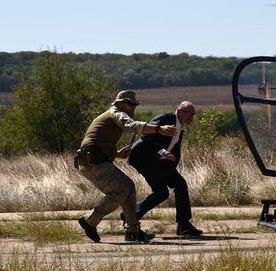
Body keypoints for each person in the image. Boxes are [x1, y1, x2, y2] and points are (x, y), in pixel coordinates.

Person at [76, 90, 176, 243]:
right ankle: (90, 221)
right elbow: (131, 125)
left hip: (93, 160)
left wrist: (116, 154)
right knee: (121, 189)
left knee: (128, 188)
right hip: (93, 162)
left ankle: (133, 231)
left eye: (134, 105)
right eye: (130, 104)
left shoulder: (111, 116)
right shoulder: (116, 113)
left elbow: (97, 142)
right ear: (121, 103)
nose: (133, 108)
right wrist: (158, 129)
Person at [126, 100, 202, 236]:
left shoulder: (182, 126)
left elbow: (175, 148)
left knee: (180, 184)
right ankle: (131, 217)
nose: (188, 116)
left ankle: (183, 225)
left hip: (160, 160)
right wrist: (162, 151)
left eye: (191, 114)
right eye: (185, 112)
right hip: (144, 158)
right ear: (178, 110)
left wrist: (172, 167)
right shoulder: (163, 119)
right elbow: (146, 136)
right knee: (161, 193)